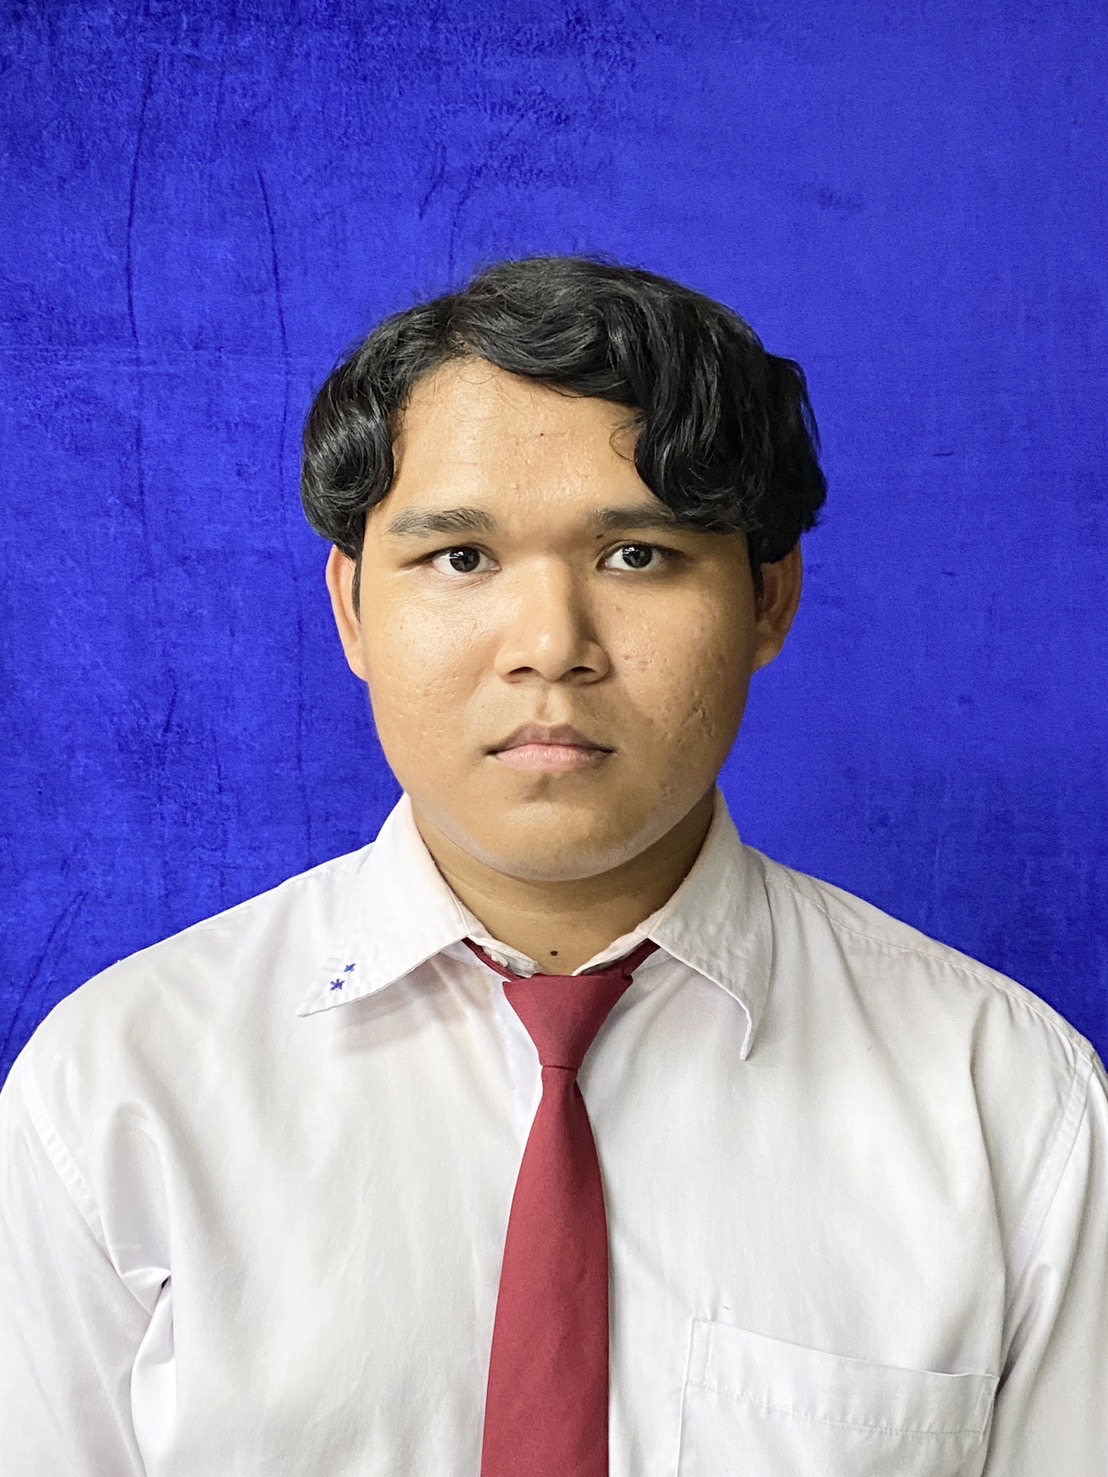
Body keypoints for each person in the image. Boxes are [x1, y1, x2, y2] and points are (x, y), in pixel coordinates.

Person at [1, 255, 1104, 1477]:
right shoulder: (119, 1092)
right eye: (461, 558)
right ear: (353, 609)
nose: (549, 646)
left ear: (768, 601)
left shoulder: (1005, 1102)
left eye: (637, 554)